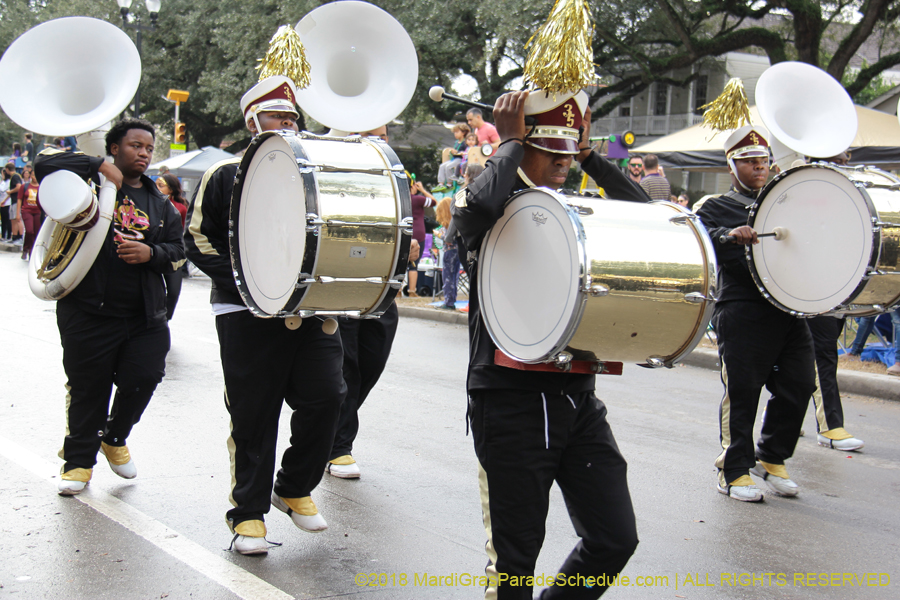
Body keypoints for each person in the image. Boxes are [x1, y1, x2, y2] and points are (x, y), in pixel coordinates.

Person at [452, 89, 647, 600]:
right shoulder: (490, 206)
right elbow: (477, 207)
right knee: (515, 562)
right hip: (509, 398)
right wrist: (511, 143)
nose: (562, 162)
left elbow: (646, 218)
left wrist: (588, 158)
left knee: (614, 539)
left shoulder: (573, 206)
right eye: (551, 151)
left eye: (568, 152)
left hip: (576, 395)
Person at [184, 76, 346, 555]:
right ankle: (248, 515)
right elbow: (196, 238)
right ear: (254, 120)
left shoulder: (317, 172)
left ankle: (293, 486)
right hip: (245, 311)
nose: (291, 123)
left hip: (308, 310)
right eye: (281, 116)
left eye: (295, 117)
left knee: (327, 399)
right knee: (254, 415)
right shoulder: (225, 174)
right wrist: (250, 282)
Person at [33, 118, 185, 496]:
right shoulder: (88, 183)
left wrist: (151, 252)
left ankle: (114, 437)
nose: (144, 153)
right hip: (88, 310)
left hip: (144, 314)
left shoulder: (162, 205)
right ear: (114, 147)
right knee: (89, 388)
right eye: (135, 145)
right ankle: (78, 464)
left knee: (145, 377)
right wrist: (95, 167)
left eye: (149, 148)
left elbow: (179, 253)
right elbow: (43, 163)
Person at [695, 125, 814, 503]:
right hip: (743, 308)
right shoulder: (715, 206)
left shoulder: (783, 203)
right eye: (749, 162)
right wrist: (731, 234)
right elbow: (703, 238)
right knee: (743, 392)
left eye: (763, 160)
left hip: (787, 309)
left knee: (799, 385)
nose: (759, 167)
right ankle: (733, 470)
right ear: (732, 167)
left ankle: (772, 456)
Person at [325, 124, 402, 480]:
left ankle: (331, 431)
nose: (381, 140)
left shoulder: (391, 174)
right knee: (346, 368)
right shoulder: (325, 168)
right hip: (336, 288)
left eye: (384, 134)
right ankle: (339, 446)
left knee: (369, 363)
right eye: (373, 133)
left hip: (378, 291)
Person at [804, 150, 864, 450]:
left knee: (804, 361)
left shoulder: (844, 192)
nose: (847, 159)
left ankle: (778, 416)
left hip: (836, 288)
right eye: (840, 156)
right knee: (823, 357)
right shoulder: (806, 189)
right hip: (813, 289)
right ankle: (830, 426)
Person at [156, 173, 189, 320]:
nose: (157, 188)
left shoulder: (180, 208)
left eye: (161, 185)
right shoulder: (153, 203)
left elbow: (183, 230)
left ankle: (166, 318)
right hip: (154, 250)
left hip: (173, 252)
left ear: (170, 189)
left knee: (174, 291)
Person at [406, 179, 437, 297]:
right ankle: (412, 291)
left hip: (405, 231)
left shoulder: (400, 199)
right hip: (418, 233)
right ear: (413, 187)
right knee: (414, 263)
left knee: (401, 263)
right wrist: (423, 190)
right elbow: (434, 202)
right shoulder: (418, 199)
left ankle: (398, 291)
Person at [18, 165, 40, 261]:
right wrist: (17, 213)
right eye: (33, 175)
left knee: (36, 232)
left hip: (38, 212)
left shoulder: (41, 187)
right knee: (29, 231)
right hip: (27, 211)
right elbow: (19, 200)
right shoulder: (25, 186)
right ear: (30, 176)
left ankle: (31, 250)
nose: (34, 177)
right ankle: (27, 249)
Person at [5, 162, 24, 244]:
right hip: (13, 200)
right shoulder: (14, 176)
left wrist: (10, 191)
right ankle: (14, 236)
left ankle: (20, 236)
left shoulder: (15, 176)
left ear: (7, 169)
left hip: (17, 200)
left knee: (18, 219)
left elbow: (18, 187)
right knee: (13, 220)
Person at [1, 166, 12, 241]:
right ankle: (3, 235)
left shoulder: (9, 182)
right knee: (3, 220)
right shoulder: (3, 181)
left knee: (8, 220)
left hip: (7, 203)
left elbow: (3, 190)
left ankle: (8, 236)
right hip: (2, 203)